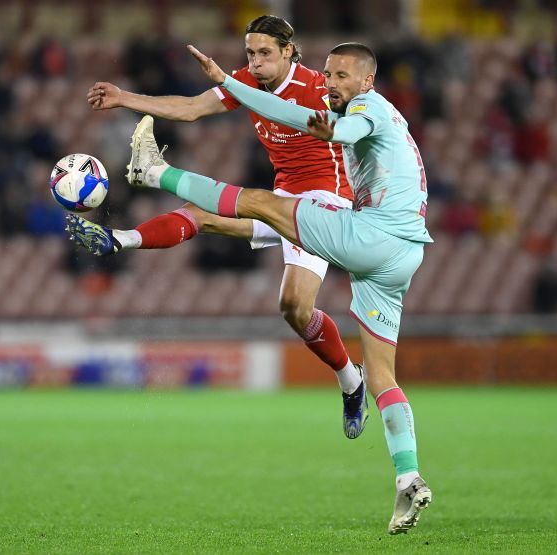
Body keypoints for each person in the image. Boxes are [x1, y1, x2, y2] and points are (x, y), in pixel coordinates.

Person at [96, 41, 434, 535]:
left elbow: (348, 127)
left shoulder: (365, 108)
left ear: (366, 80)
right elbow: (291, 114)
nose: (333, 82)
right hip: (402, 257)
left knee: (258, 202)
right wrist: (235, 85)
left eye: (342, 76)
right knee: (383, 378)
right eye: (329, 74)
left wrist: (335, 126)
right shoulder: (367, 110)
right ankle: (408, 476)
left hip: (370, 233)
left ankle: (154, 171)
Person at [69, 16, 369, 440]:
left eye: (266, 53)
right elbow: (191, 109)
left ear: (288, 51)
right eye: (250, 53)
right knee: (202, 215)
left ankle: (351, 383)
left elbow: (364, 124)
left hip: (326, 204)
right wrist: (123, 98)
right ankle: (120, 239)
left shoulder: (321, 87)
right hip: (282, 202)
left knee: (293, 306)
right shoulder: (245, 82)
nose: (256, 62)